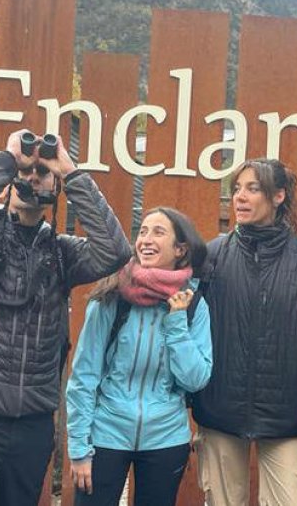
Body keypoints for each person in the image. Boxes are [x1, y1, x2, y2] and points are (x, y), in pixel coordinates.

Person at [0, 128, 131, 506]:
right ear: (8, 183)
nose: (33, 176)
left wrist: (71, 173)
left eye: (42, 171)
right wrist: (5, 161)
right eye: (26, 172)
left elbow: (115, 251)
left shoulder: (63, 254)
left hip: (32, 424)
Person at [191, 158, 297, 506]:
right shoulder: (213, 254)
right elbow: (191, 325)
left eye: (252, 189)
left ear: (279, 196)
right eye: (237, 189)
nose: (240, 197)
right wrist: (197, 390)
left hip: (286, 412)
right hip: (220, 407)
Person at [66, 206, 213, 506]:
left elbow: (196, 379)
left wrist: (176, 322)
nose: (146, 239)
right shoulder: (111, 296)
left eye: (158, 232)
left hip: (166, 438)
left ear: (180, 249)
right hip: (105, 435)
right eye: (143, 231)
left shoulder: (193, 304)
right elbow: (83, 377)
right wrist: (79, 447)